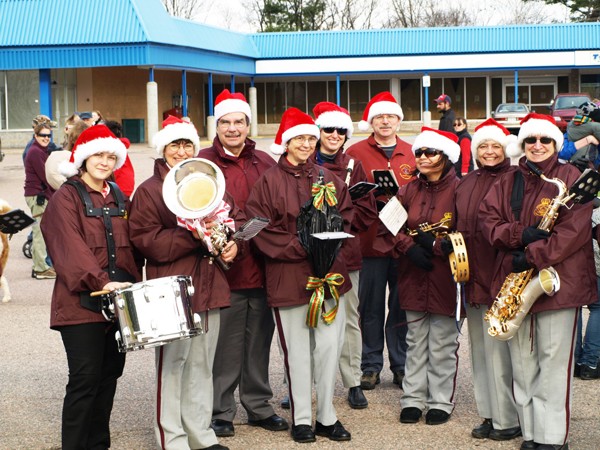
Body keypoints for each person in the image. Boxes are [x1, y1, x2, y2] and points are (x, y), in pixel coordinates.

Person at [480, 113, 596, 450]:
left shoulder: (572, 176)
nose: (537, 145)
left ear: (556, 144)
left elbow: (573, 232)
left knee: (553, 363)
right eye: (531, 140)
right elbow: (490, 221)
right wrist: (518, 235)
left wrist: (530, 255)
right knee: (523, 365)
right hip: (517, 284)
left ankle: (551, 437)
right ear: (523, 144)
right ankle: (530, 434)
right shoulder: (507, 181)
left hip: (558, 282)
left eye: (545, 140)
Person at [129, 115, 240, 450]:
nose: (181, 151)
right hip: (171, 291)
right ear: (164, 148)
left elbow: (224, 220)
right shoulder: (149, 191)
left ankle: (200, 434)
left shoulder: (206, 182)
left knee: (202, 366)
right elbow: (147, 241)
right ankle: (171, 437)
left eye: (187, 144)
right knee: (172, 366)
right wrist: (193, 235)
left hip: (209, 284)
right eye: (175, 144)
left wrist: (229, 242)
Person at [246, 107, 354, 444]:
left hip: (329, 278)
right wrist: (301, 245)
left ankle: (326, 416)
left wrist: (331, 244)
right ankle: (302, 418)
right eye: (299, 138)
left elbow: (347, 216)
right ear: (286, 142)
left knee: (328, 348)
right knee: (297, 350)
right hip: (289, 278)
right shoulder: (268, 182)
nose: (306, 144)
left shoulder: (328, 178)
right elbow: (258, 229)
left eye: (311, 137)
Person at [40, 124, 140, 450]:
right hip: (81, 305)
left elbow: (135, 245)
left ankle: (98, 445)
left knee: (109, 377)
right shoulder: (65, 198)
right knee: (84, 380)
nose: (105, 161)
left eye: (111, 156)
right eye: (98, 154)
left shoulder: (120, 197)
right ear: (84, 157)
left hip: (117, 306)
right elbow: (70, 249)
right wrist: (102, 281)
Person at [197, 89, 288, 437]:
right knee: (225, 345)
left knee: (258, 342)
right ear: (216, 126)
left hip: (263, 266)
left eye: (239, 122)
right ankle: (220, 409)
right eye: (225, 122)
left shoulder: (264, 161)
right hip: (223, 268)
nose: (233, 128)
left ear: (248, 125)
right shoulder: (204, 162)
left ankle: (258, 405)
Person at [377, 127, 461, 426]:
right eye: (420, 153)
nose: (423, 158)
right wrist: (408, 247)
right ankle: (413, 398)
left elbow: (465, 233)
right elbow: (390, 222)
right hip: (413, 273)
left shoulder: (459, 189)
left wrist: (437, 246)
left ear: (446, 157)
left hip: (445, 276)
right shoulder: (409, 188)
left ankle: (440, 400)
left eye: (430, 152)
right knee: (414, 339)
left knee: (442, 342)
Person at [454, 119, 521, 441]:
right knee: (480, 352)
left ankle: (510, 417)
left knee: (505, 353)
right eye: (484, 146)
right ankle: (490, 413)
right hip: (474, 278)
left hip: (506, 277)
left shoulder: (516, 178)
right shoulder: (466, 182)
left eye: (496, 145)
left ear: (505, 148)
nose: (490, 152)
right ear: (476, 150)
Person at [346, 91, 415, 391]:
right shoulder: (356, 152)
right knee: (370, 307)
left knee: (400, 306)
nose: (385, 121)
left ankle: (400, 364)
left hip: (403, 242)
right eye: (379, 117)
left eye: (391, 117)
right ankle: (370, 364)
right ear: (371, 121)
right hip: (370, 242)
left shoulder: (413, 152)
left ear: (399, 120)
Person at [312, 101, 377, 409]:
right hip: (307, 255)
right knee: (307, 319)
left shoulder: (354, 165)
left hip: (345, 254)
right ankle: (300, 382)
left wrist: (341, 216)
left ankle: (352, 381)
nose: (335, 135)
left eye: (341, 130)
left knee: (348, 319)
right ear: (318, 132)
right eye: (329, 129)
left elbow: (367, 212)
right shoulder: (301, 162)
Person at [24, 122, 56, 279]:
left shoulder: (41, 150)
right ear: (35, 136)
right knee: (39, 233)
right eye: (43, 135)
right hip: (37, 197)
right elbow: (46, 176)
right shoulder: (36, 152)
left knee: (42, 232)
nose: (46, 138)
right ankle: (40, 269)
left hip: (40, 195)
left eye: (48, 135)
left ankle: (41, 266)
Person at [574, 207, 600, 380]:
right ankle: (590, 364)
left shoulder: (577, 207)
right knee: (598, 309)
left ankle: (574, 361)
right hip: (597, 267)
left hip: (577, 266)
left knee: (575, 309)